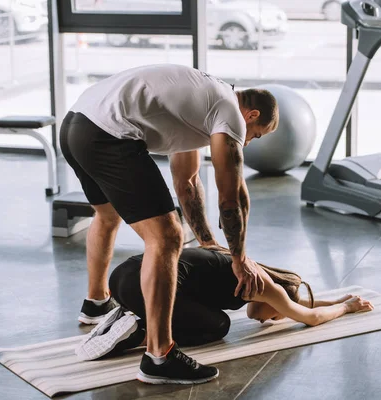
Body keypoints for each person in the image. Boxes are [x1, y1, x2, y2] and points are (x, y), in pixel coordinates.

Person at [60, 64, 279, 384]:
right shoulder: (230, 114)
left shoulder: (203, 103)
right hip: (107, 133)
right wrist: (240, 258)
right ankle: (159, 357)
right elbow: (232, 198)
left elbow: (187, 182)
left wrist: (206, 240)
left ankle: (95, 304)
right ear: (252, 115)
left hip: (76, 125)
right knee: (167, 238)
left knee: (107, 216)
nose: (248, 143)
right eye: (256, 135)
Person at [76, 245, 375, 385]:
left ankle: (132, 316)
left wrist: (336, 299)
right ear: (281, 296)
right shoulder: (266, 288)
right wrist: (345, 308)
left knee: (207, 312)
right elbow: (309, 318)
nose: (269, 319)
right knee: (219, 325)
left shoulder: (248, 268)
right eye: (277, 314)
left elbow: (302, 308)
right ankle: (141, 327)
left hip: (125, 277)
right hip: (141, 287)